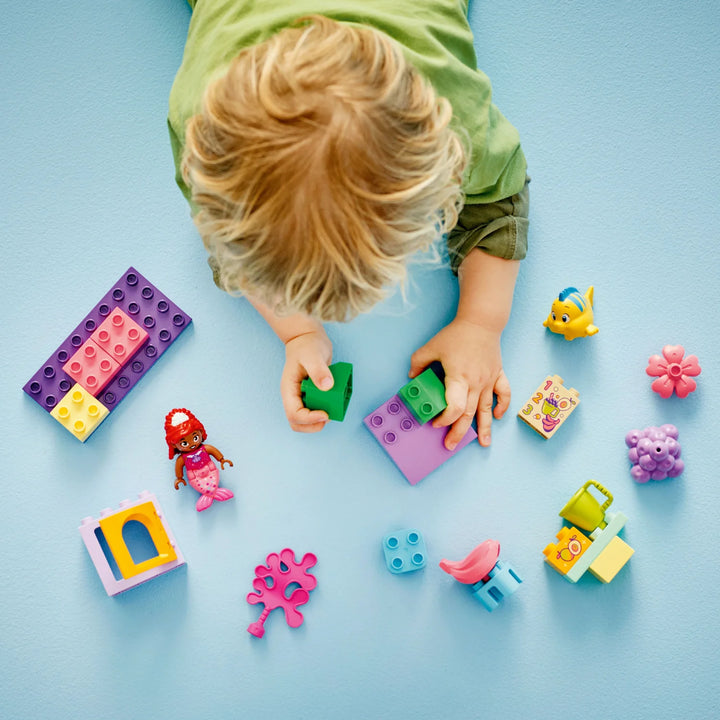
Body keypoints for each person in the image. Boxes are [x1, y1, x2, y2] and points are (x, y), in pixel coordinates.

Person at [168, 2, 529, 450]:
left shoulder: (457, 120)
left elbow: (498, 192)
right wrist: (297, 332)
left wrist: (481, 323)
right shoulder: (202, 134)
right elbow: (231, 246)